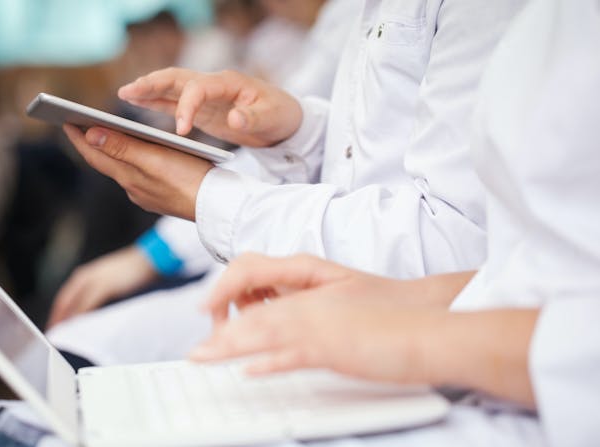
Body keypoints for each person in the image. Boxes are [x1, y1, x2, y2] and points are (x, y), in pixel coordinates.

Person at [190, 0, 600, 445]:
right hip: (487, 367)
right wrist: (396, 297)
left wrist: (414, 336)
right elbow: (536, 262)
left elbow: (467, 235)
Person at [45, 0, 522, 367]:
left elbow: (456, 246)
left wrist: (211, 201)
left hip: (406, 341)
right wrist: (296, 131)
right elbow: (374, 155)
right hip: (331, 298)